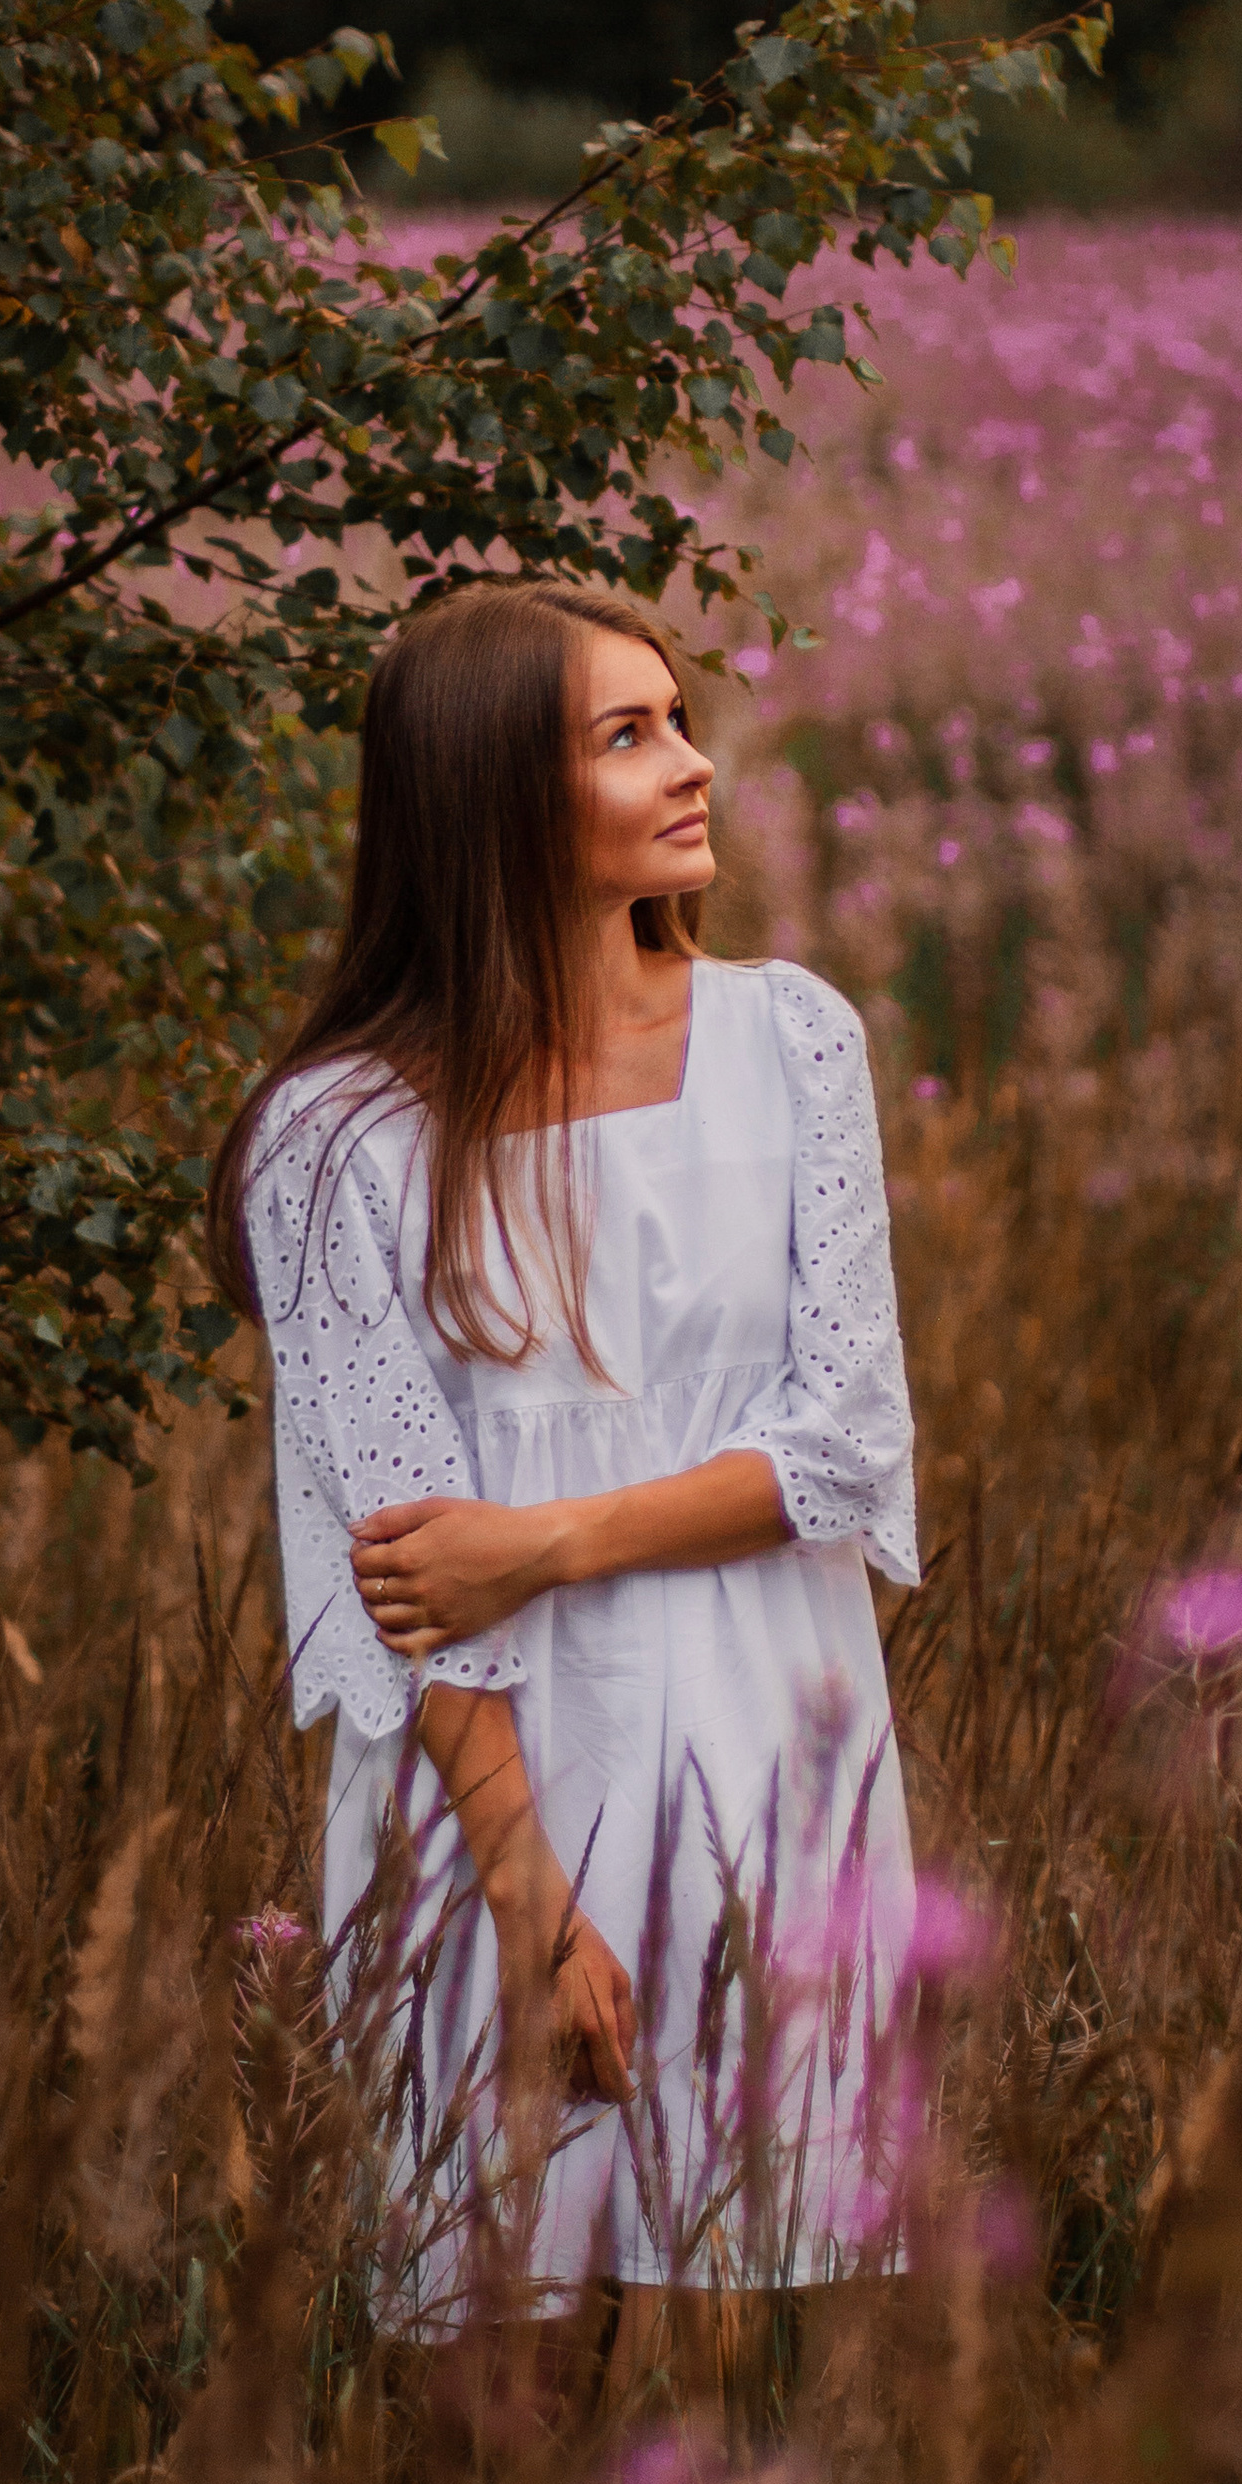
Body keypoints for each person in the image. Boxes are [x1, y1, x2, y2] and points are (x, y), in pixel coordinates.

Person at [207, 580, 920, 2369]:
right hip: (491, 1794)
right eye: (627, 736)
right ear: (492, 797)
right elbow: (399, 1558)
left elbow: (842, 1447)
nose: (693, 767)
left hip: (774, 1731)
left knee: (726, 2347)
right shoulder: (339, 1139)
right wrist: (530, 1893)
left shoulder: (793, 1041)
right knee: (492, 2374)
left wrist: (543, 1538)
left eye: (677, 720)